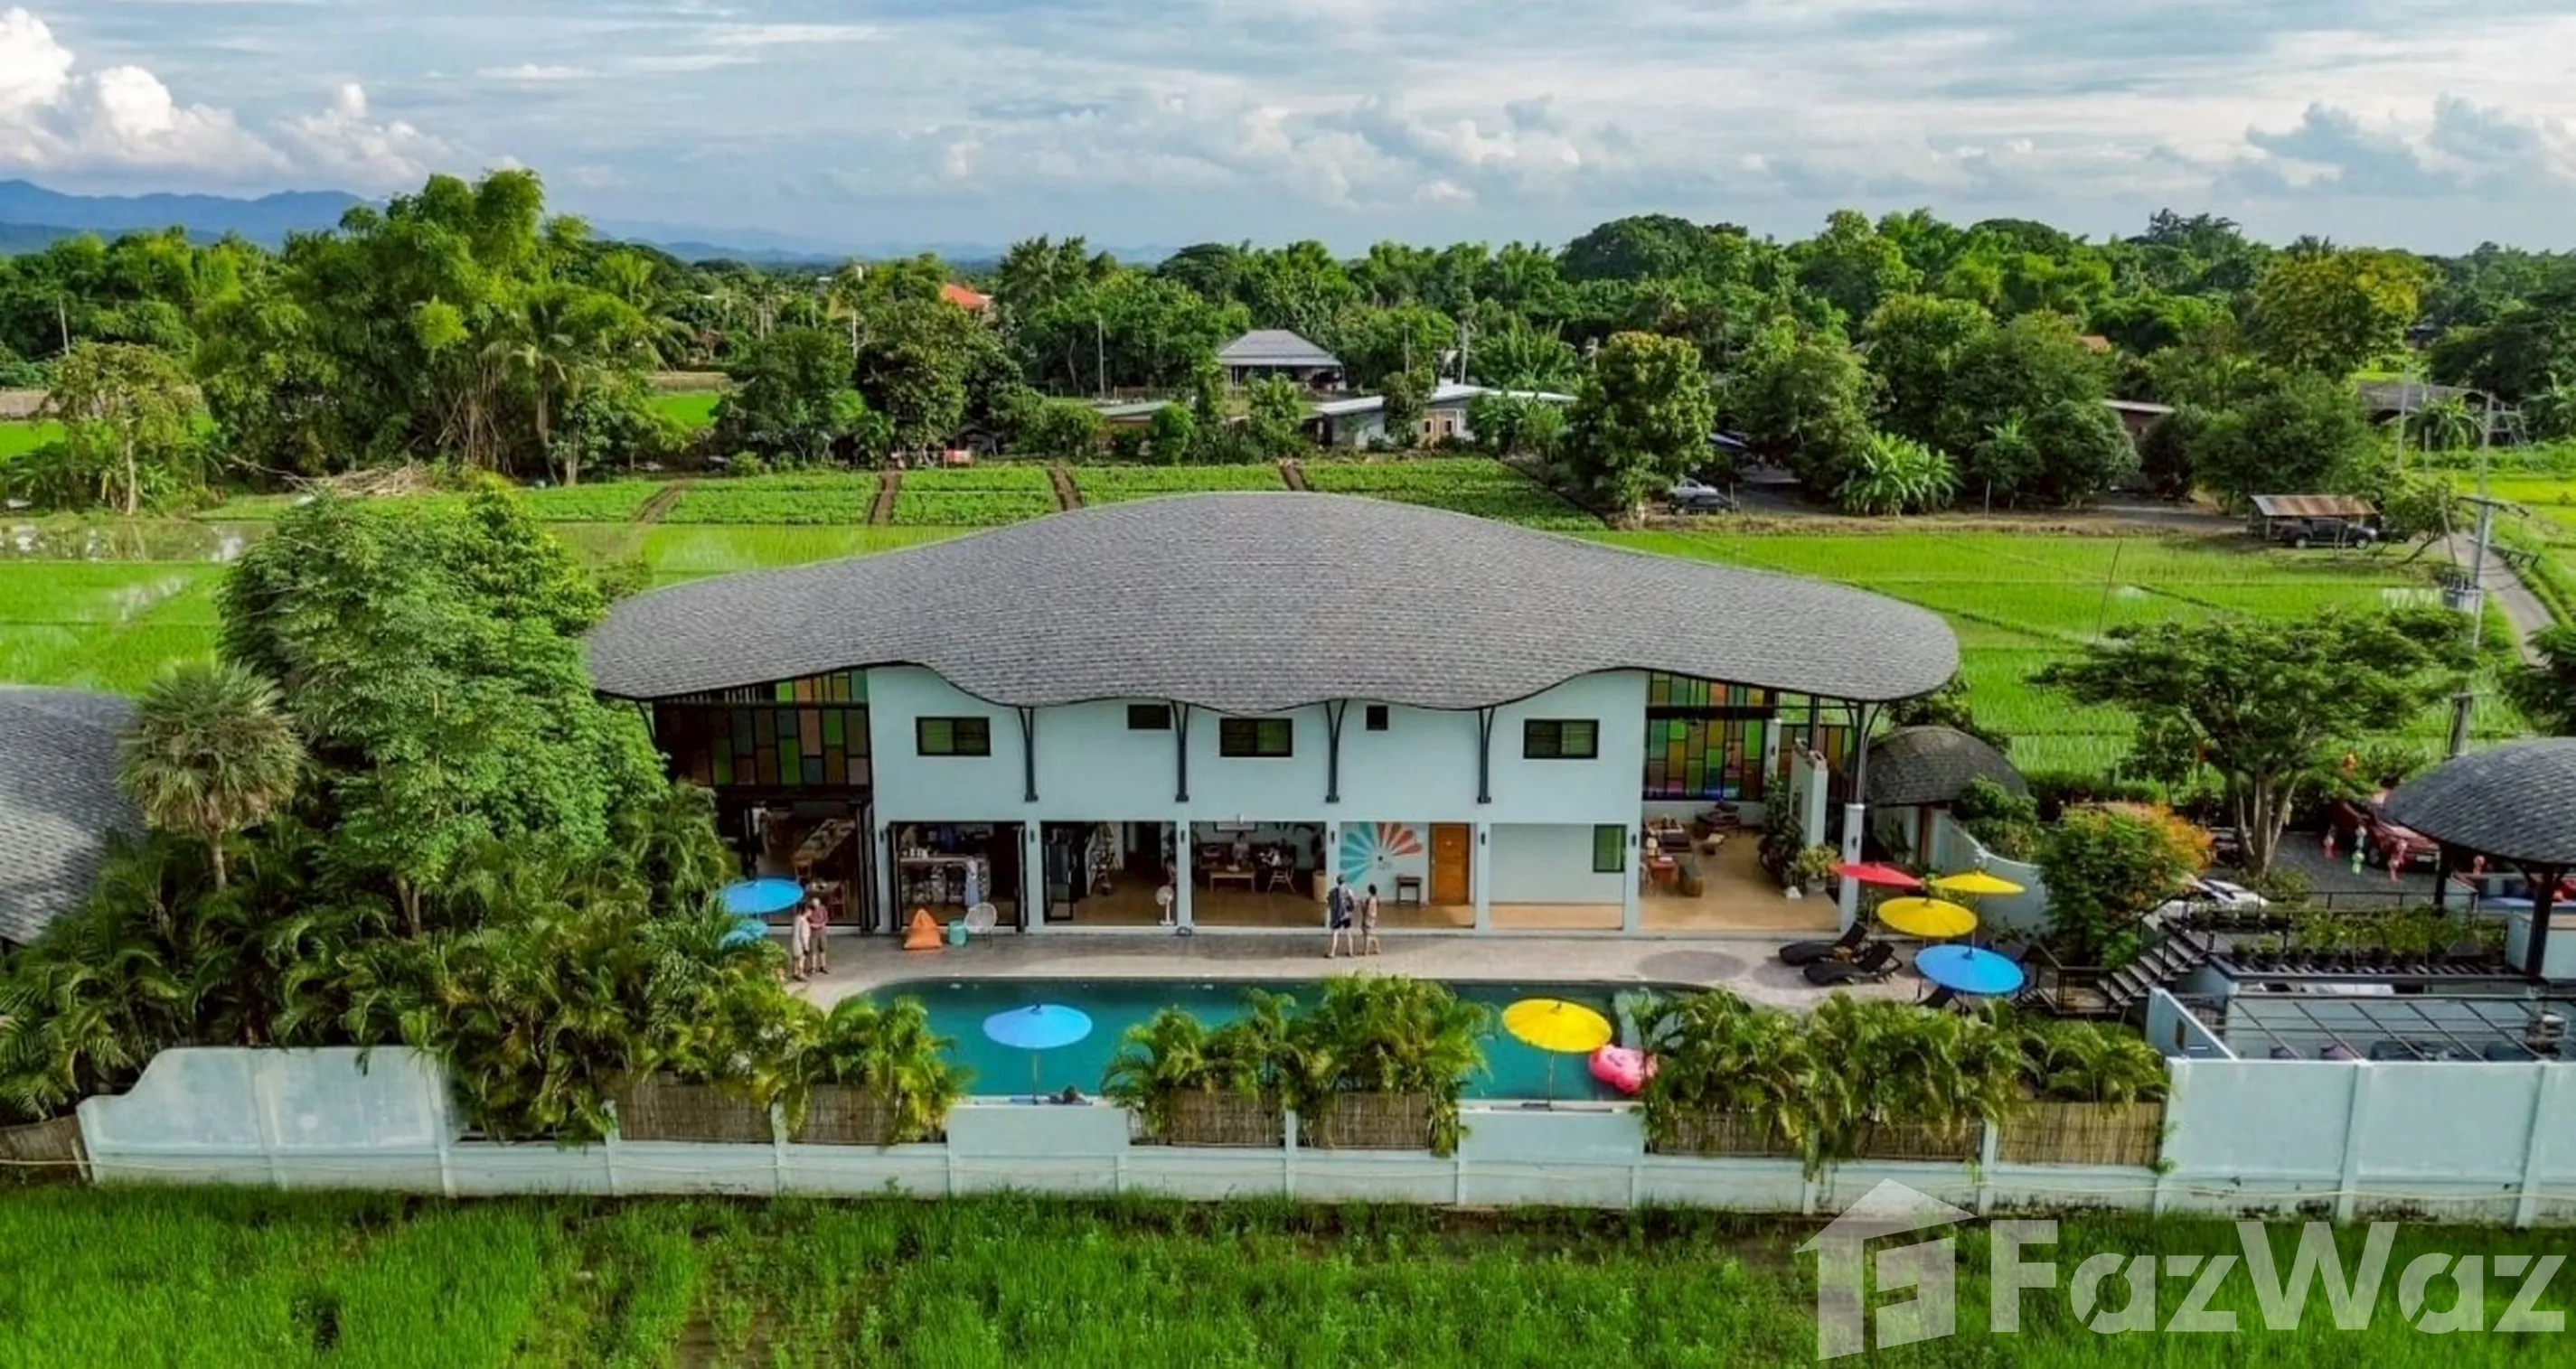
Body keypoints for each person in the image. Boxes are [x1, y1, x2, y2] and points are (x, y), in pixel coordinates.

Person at [788, 886, 816, 982]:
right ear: (807, 910)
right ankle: (801, 974)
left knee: (795, 958)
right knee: (801, 959)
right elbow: (804, 935)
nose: (811, 913)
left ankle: (795, 972)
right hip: (800, 944)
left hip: (794, 942)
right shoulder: (804, 922)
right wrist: (806, 947)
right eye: (811, 911)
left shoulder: (796, 919)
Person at [803, 893, 832, 978]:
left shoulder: (823, 908)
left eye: (817, 904)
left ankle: (823, 966)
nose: (815, 906)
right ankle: (813, 967)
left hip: (822, 932)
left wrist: (821, 924)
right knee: (813, 950)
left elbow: (826, 919)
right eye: (814, 904)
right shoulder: (809, 909)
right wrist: (811, 925)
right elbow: (805, 919)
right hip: (812, 933)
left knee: (823, 949)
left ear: (819, 903)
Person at [1326, 875, 1355, 958]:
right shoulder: (1348, 890)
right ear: (1344, 881)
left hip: (1337, 916)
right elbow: (1353, 902)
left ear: (1337, 881)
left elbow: (1329, 903)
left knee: (1335, 934)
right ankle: (1351, 952)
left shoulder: (1332, 892)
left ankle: (1332, 953)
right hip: (1346, 915)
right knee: (1349, 934)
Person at [1360, 883, 1383, 956]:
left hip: (1368, 917)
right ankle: (1377, 949)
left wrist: (1362, 904)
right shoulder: (1376, 899)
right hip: (1373, 917)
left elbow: (1366, 909)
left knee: (1367, 935)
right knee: (1372, 934)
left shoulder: (1369, 899)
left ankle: (1366, 951)